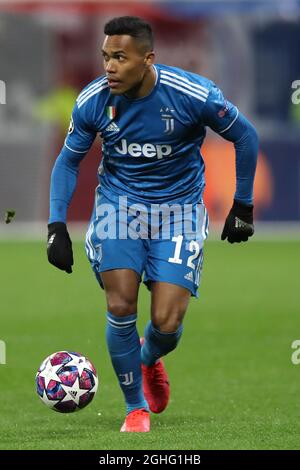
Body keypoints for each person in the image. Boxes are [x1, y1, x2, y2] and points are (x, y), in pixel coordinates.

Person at [47, 16, 258, 433]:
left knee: (167, 321)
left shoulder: (193, 94)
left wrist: (243, 205)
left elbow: (246, 136)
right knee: (121, 302)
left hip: (179, 210)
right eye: (105, 56)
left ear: (148, 59)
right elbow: (68, 160)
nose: (109, 67)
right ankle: (134, 408)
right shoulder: (93, 99)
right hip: (119, 206)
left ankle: (148, 357)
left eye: (120, 58)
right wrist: (56, 226)